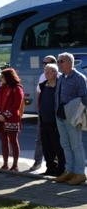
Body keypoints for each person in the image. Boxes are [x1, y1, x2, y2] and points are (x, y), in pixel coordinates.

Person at [54, 52, 87, 185]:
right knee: (65, 145)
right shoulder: (61, 77)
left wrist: (73, 110)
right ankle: (70, 171)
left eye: (61, 61)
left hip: (72, 116)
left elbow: (85, 98)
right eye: (58, 61)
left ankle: (80, 173)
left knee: (76, 145)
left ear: (69, 62)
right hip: (60, 115)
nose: (59, 64)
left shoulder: (79, 78)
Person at [29, 55, 57, 171]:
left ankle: (56, 164)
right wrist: (39, 110)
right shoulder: (42, 76)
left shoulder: (59, 77)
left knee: (56, 139)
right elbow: (39, 94)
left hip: (55, 115)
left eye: (46, 63)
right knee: (40, 138)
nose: (44, 66)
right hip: (43, 114)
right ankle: (38, 162)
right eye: (43, 64)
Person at [0, 68, 24, 171]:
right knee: (4, 142)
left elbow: (16, 105)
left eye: (2, 76)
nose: (0, 78)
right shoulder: (0, 89)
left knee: (13, 141)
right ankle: (5, 163)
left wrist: (5, 115)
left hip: (12, 119)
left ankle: (15, 165)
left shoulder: (17, 88)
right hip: (1, 120)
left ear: (8, 77)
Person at [38, 63, 65, 176]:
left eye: (49, 72)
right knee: (46, 147)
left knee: (58, 147)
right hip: (44, 121)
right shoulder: (43, 85)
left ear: (55, 73)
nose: (46, 74)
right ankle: (50, 168)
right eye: (45, 71)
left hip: (56, 122)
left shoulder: (61, 85)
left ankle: (61, 170)